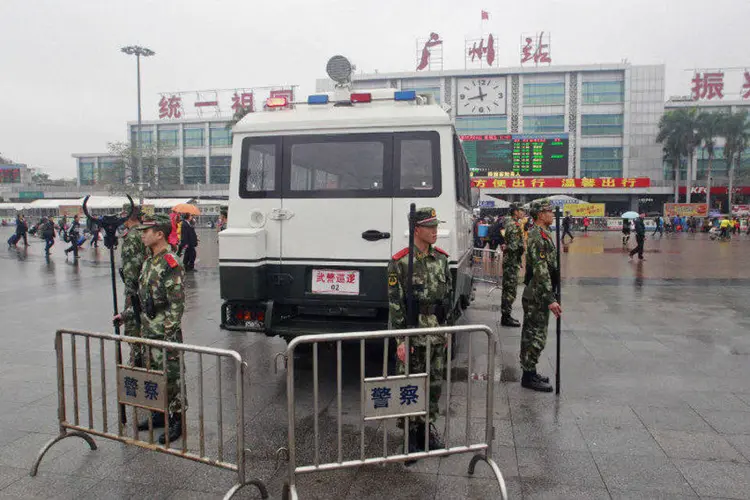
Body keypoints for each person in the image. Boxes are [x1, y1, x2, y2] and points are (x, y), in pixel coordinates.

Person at [115, 213, 186, 444]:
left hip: (164, 331)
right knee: (153, 372)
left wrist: (169, 332)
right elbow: (144, 299)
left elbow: (176, 302)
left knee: (171, 375)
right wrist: (126, 316)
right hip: (147, 328)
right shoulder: (148, 261)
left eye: (146, 231)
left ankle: (177, 420)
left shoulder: (170, 262)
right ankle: (159, 413)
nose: (142, 234)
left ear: (160, 234)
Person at [388, 207, 451, 458]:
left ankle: (427, 430)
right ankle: (410, 436)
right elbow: (395, 305)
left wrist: (448, 331)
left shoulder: (442, 259)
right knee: (410, 384)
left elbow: (447, 300)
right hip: (413, 332)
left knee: (434, 384)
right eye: (430, 227)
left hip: (436, 330)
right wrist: (401, 340)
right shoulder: (401, 262)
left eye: (436, 226)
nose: (436, 231)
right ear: (417, 229)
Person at [520, 200, 562, 392]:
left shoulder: (544, 234)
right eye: (548, 211)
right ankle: (528, 376)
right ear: (539, 215)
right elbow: (541, 269)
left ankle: (530, 371)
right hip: (537, 293)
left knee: (534, 334)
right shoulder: (538, 236)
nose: (551, 214)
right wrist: (550, 299)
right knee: (535, 336)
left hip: (539, 292)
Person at [119, 204, 149, 368]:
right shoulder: (143, 232)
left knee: (133, 328)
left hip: (136, 290)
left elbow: (131, 269)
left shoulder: (132, 236)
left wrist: (130, 295)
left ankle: (137, 361)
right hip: (146, 288)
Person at [500, 203, 525, 327]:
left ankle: (506, 315)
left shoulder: (509, 223)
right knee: (510, 291)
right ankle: (506, 317)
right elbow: (514, 246)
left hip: (510, 260)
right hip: (511, 262)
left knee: (508, 289)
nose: (523, 212)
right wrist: (522, 247)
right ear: (515, 212)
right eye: (521, 210)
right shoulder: (514, 225)